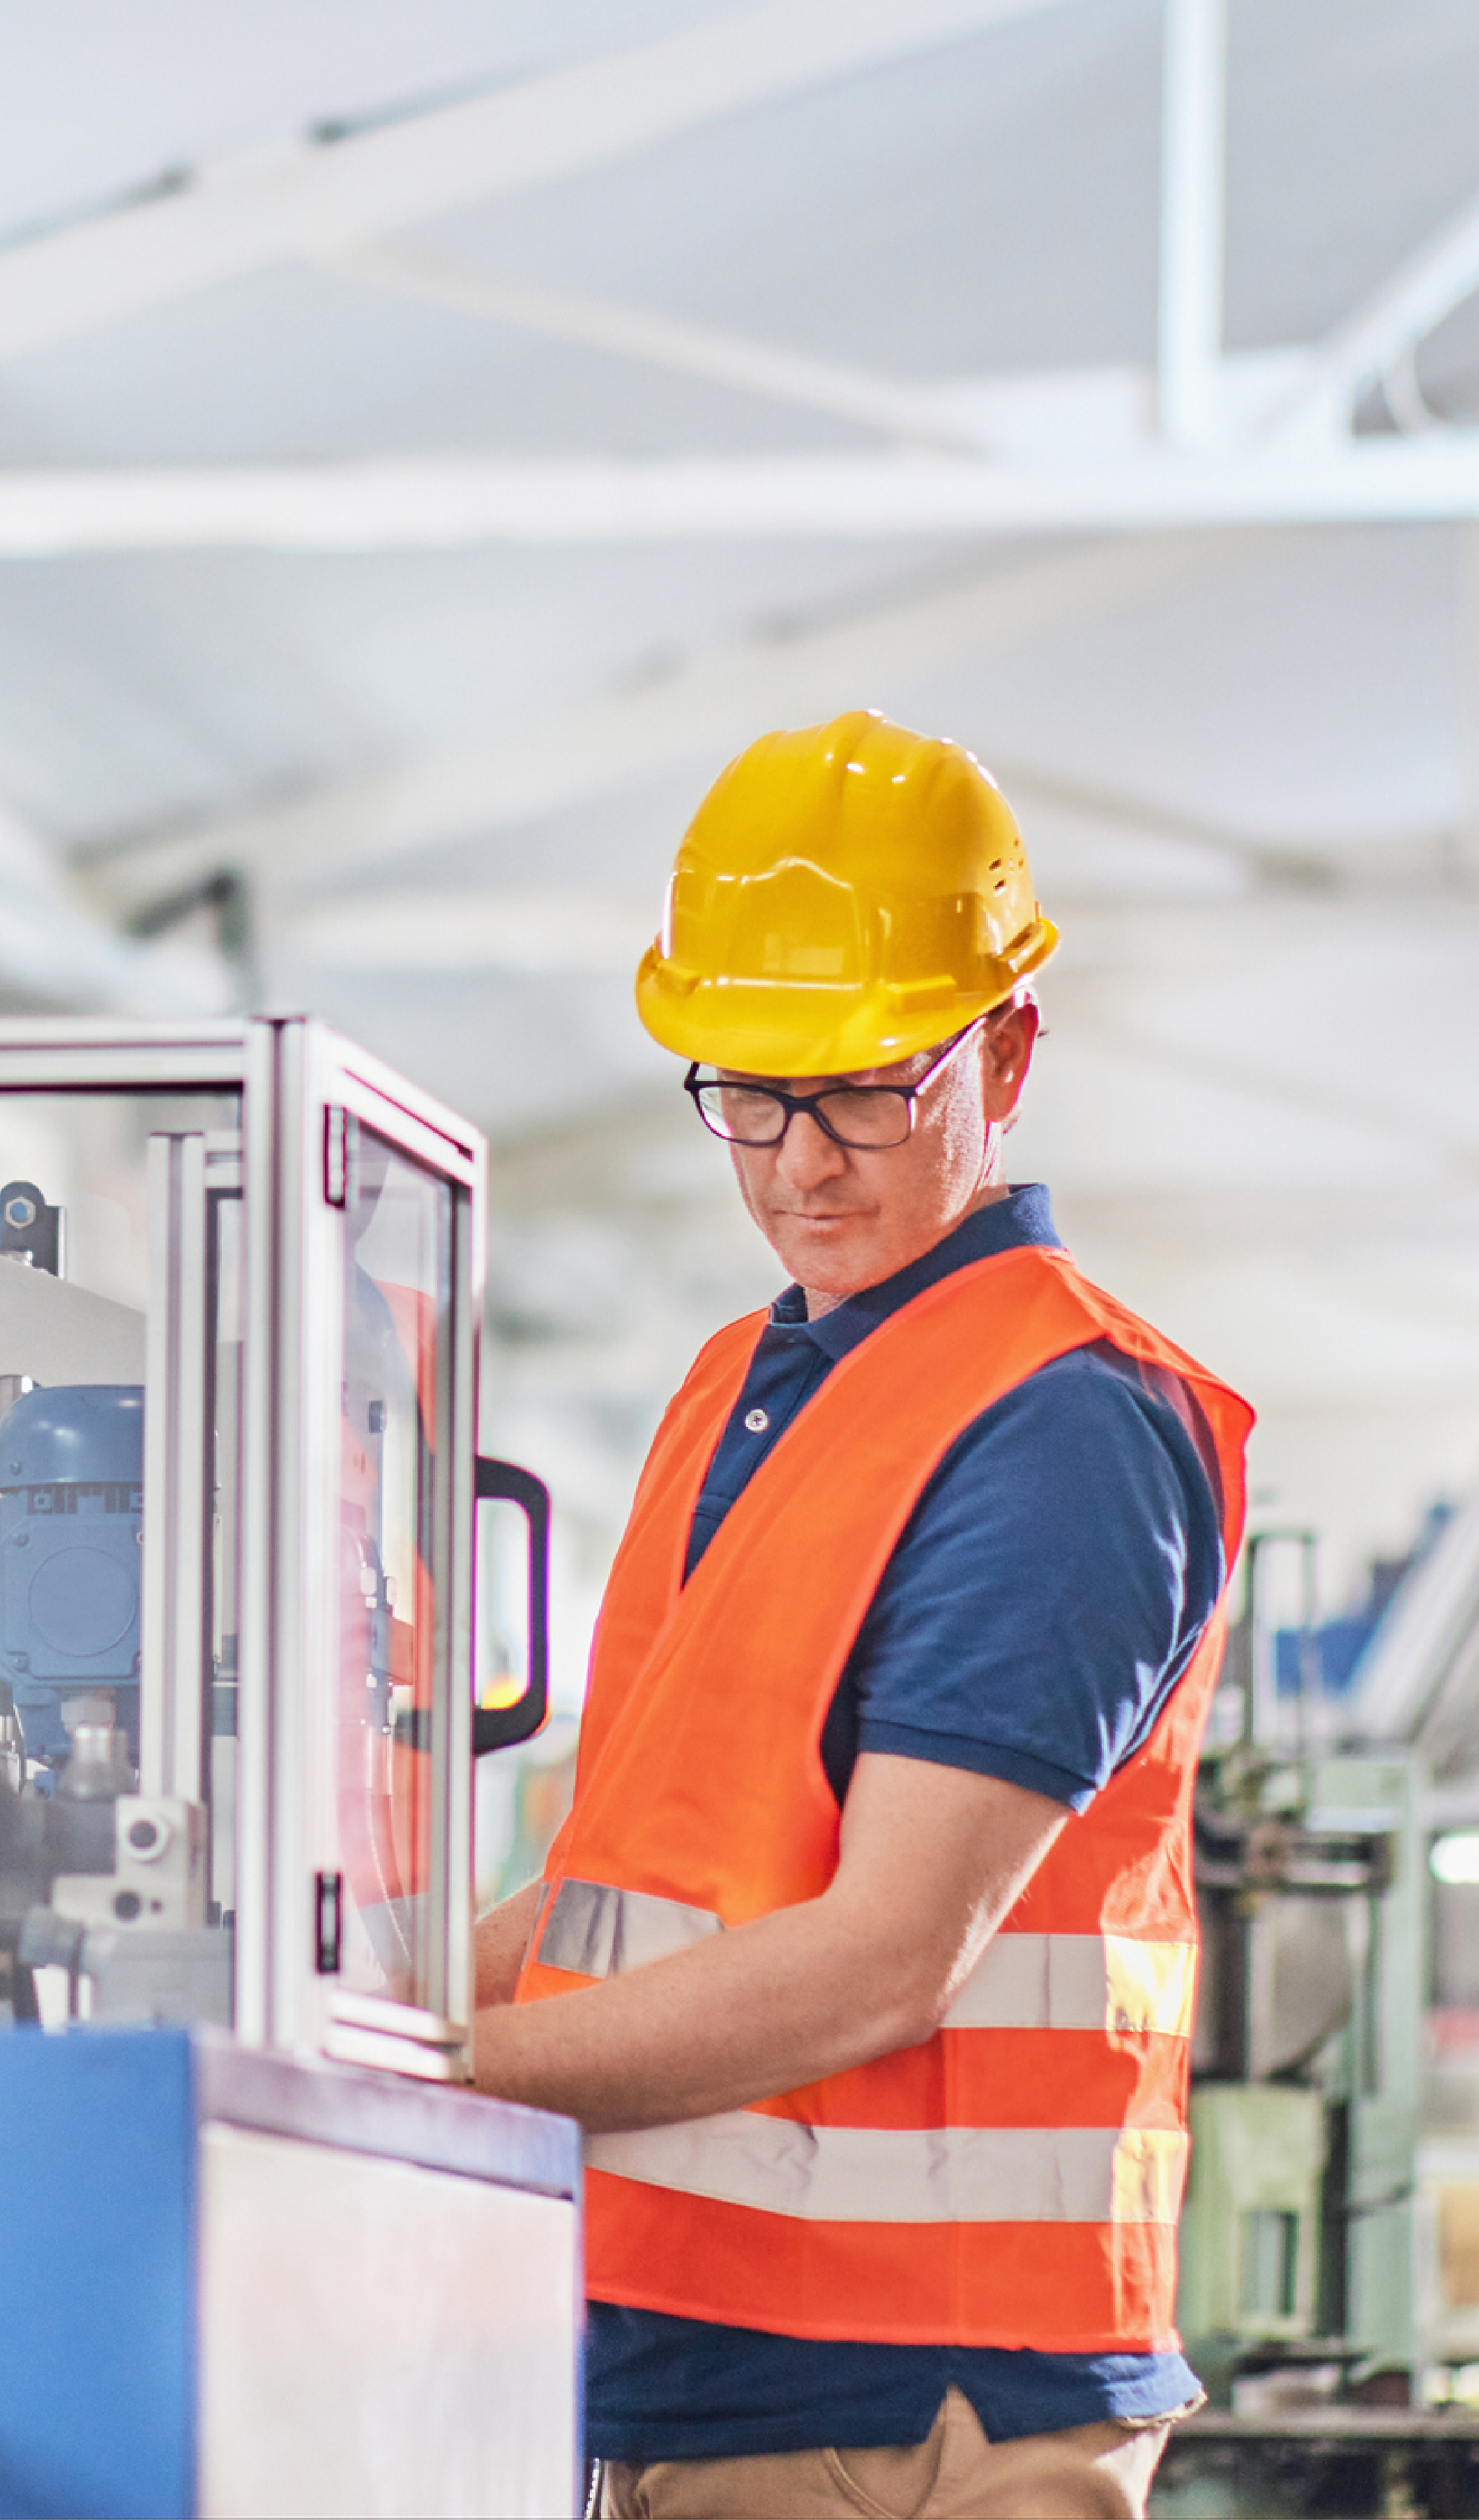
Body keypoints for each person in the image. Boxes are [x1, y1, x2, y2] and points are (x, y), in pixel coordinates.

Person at [471, 711, 1252, 2520]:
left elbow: (887, 1948)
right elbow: (624, 1883)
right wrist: (315, 2020)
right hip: (702, 2368)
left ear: (1007, 1046)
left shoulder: (1057, 1422)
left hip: (924, 2410)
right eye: (744, 1089)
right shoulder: (731, 1382)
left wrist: (449, 2073)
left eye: (863, 1088)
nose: (797, 1161)